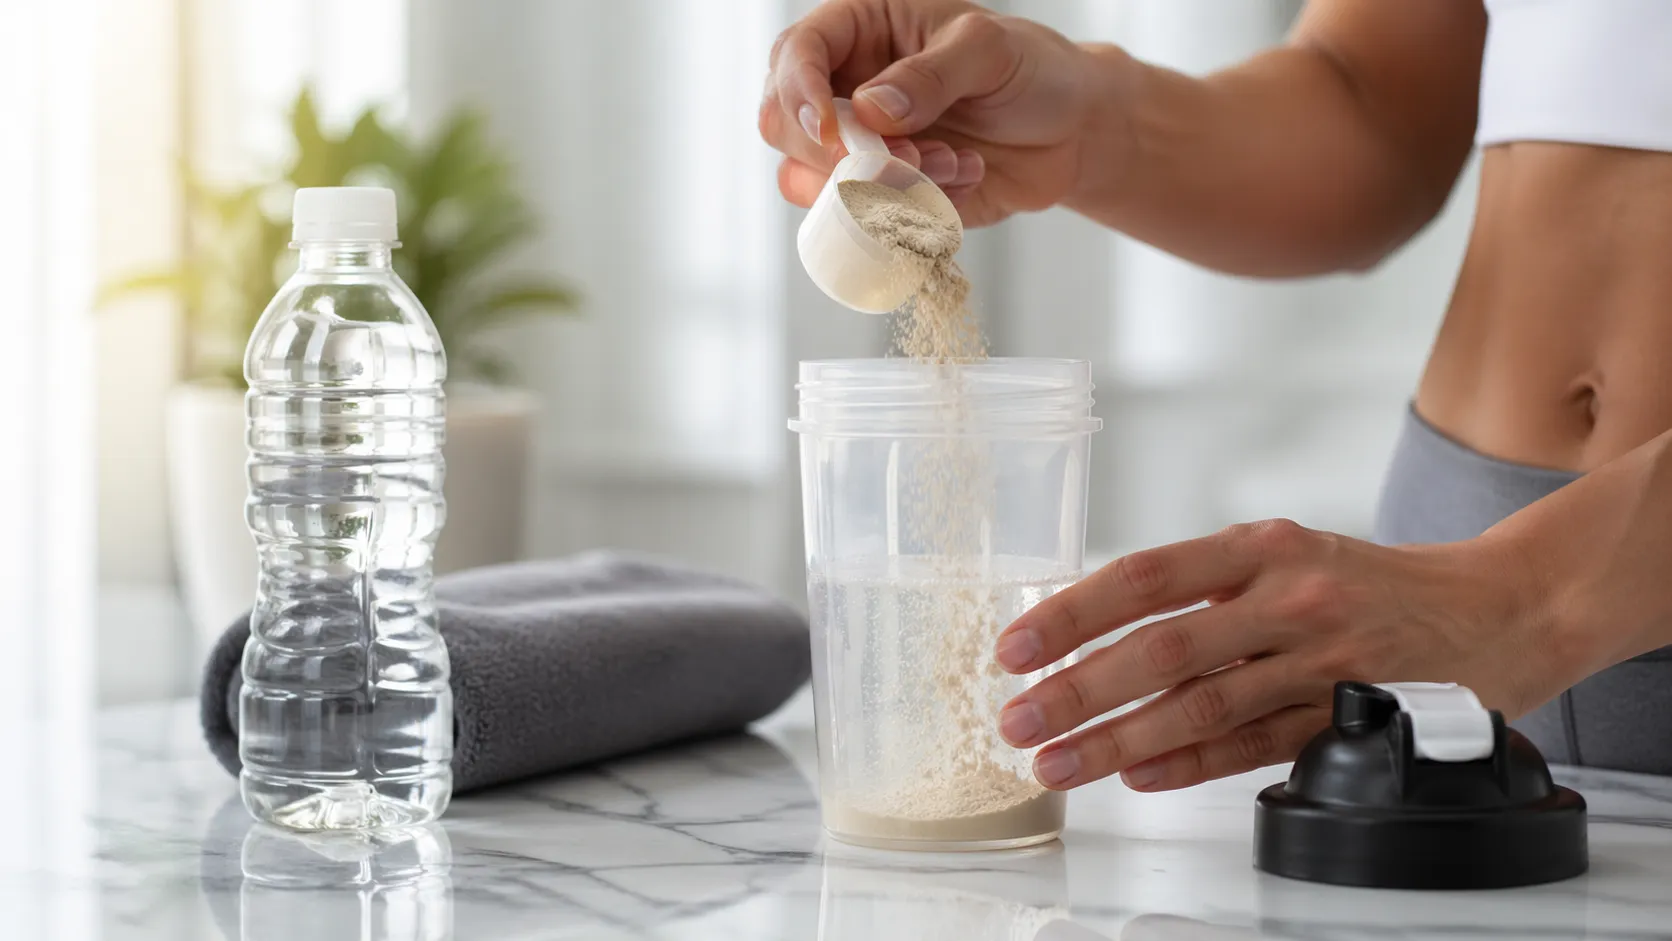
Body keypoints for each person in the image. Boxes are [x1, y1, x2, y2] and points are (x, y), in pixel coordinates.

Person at [759, 0, 1672, 791]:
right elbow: (1375, 104)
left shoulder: (1509, 598)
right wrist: (1096, 125)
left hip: (1519, 591)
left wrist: (1528, 598)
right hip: (1452, 551)